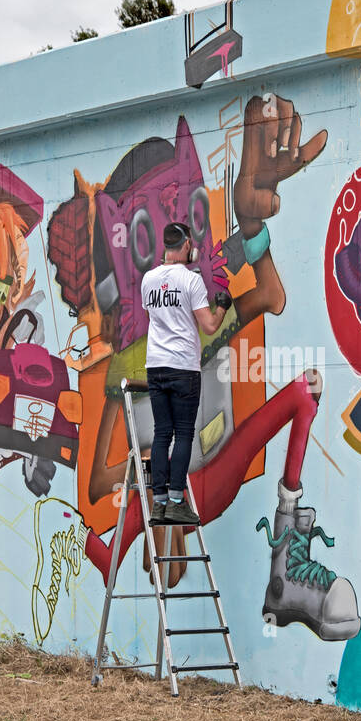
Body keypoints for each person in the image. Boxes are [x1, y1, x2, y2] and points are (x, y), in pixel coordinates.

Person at [141, 221, 231, 525]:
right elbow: (208, 326)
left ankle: (159, 503)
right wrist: (222, 308)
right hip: (182, 367)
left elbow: (156, 316)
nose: (193, 247)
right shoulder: (190, 281)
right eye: (190, 242)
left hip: (156, 366)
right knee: (183, 434)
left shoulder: (148, 280)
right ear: (183, 245)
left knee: (161, 434)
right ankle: (177, 501)